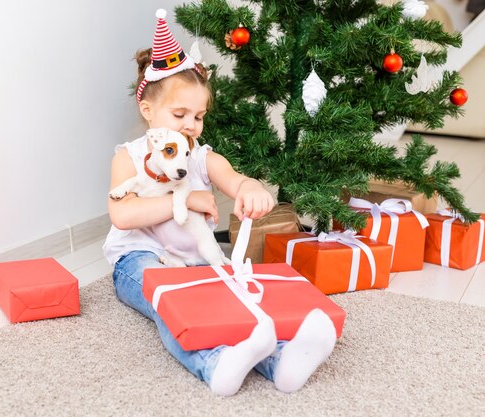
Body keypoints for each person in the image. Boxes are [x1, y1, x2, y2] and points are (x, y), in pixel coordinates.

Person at [103, 9, 337, 397]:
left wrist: (250, 188)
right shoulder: (128, 157)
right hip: (139, 257)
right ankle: (214, 364)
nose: (191, 125)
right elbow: (123, 214)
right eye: (180, 114)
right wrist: (189, 200)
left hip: (194, 259)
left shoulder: (199, 155)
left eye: (198, 116)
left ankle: (281, 361)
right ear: (149, 111)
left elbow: (234, 178)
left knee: (229, 299)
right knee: (173, 304)